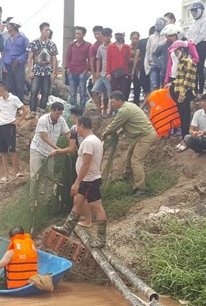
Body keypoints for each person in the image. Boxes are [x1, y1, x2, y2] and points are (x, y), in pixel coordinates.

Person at [63, 116, 107, 246]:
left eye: (77, 126)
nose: (76, 129)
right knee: (77, 201)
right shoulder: (95, 140)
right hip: (88, 179)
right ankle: (67, 227)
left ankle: (101, 238)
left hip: (90, 180)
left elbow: (86, 164)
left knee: (96, 207)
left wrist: (77, 182)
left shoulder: (88, 142)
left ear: (81, 126)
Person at [105, 90, 158, 197]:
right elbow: (130, 122)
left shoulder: (124, 110)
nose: (111, 104)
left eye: (113, 102)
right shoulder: (129, 106)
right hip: (140, 135)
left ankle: (140, 188)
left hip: (145, 136)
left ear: (120, 101)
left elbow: (114, 125)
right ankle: (128, 175)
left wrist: (103, 134)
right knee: (130, 154)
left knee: (136, 161)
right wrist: (120, 132)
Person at [0, 80, 27, 183]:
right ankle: (6, 175)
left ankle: (17, 172)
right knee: (3, 151)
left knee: (12, 150)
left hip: (10, 126)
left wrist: (18, 121)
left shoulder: (14, 99)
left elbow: (25, 110)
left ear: (1, 90)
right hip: (1, 126)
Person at [29, 101, 71, 184]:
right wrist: (59, 149)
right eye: (57, 113)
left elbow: (67, 133)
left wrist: (73, 143)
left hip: (50, 152)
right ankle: (33, 196)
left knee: (49, 177)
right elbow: (45, 138)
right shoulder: (43, 120)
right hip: (38, 149)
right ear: (52, 110)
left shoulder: (61, 120)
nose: (59, 116)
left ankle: (46, 196)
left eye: (61, 114)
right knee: (34, 175)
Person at [168, 40, 198, 145]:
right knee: (181, 115)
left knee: (185, 116)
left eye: (176, 51)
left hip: (185, 92)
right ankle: (184, 138)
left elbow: (188, 80)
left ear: (182, 50)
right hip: (180, 90)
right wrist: (172, 83)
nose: (175, 53)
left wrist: (182, 94)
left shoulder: (188, 62)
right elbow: (181, 78)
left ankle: (185, 140)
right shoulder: (181, 62)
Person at [27, 23, 58, 113]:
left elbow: (54, 59)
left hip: (47, 71)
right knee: (34, 90)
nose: (47, 32)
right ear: (41, 31)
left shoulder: (51, 44)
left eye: (49, 30)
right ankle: (32, 110)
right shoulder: (34, 43)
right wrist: (30, 71)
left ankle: (42, 109)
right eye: (46, 30)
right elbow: (29, 58)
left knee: (45, 91)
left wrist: (53, 72)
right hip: (36, 71)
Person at [2, 20, 30, 104]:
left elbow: (28, 52)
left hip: (18, 67)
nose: (7, 26)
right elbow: (4, 54)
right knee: (10, 87)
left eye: (9, 25)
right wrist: (3, 66)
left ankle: (20, 105)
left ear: (14, 26)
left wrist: (19, 60)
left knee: (19, 87)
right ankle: (11, 106)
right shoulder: (8, 40)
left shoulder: (23, 39)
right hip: (8, 67)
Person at [186, 1, 206, 92]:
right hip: (192, 46)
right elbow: (188, 34)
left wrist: (193, 43)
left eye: (195, 10)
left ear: (201, 10)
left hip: (201, 45)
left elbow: (202, 34)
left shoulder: (205, 21)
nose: (193, 13)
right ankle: (194, 90)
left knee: (200, 68)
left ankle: (200, 90)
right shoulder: (192, 23)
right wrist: (190, 43)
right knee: (193, 69)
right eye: (192, 11)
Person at [64, 25, 92, 109]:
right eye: (76, 33)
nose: (77, 35)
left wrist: (86, 70)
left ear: (83, 34)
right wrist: (68, 67)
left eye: (79, 34)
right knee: (72, 92)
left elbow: (90, 59)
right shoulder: (72, 45)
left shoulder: (88, 45)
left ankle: (82, 109)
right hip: (72, 71)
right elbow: (68, 57)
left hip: (82, 71)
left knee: (83, 92)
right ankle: (73, 109)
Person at [90, 27, 114, 115]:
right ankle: (99, 109)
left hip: (110, 74)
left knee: (110, 94)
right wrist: (97, 72)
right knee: (94, 91)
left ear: (110, 36)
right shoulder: (100, 47)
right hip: (102, 73)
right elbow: (98, 59)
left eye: (107, 36)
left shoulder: (113, 46)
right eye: (103, 36)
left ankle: (109, 111)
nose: (105, 38)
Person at [144, 18, 167, 96]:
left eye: (159, 24)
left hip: (163, 66)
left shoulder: (166, 37)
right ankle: (154, 106)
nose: (157, 26)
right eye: (156, 24)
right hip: (152, 65)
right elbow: (147, 52)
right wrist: (147, 66)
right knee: (153, 87)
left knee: (162, 87)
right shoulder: (151, 37)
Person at [129, 30, 147, 106]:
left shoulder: (142, 47)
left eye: (137, 38)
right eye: (133, 38)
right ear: (130, 38)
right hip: (129, 71)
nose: (135, 40)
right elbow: (126, 59)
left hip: (139, 71)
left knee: (137, 89)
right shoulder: (128, 48)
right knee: (126, 90)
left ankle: (136, 105)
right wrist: (137, 59)